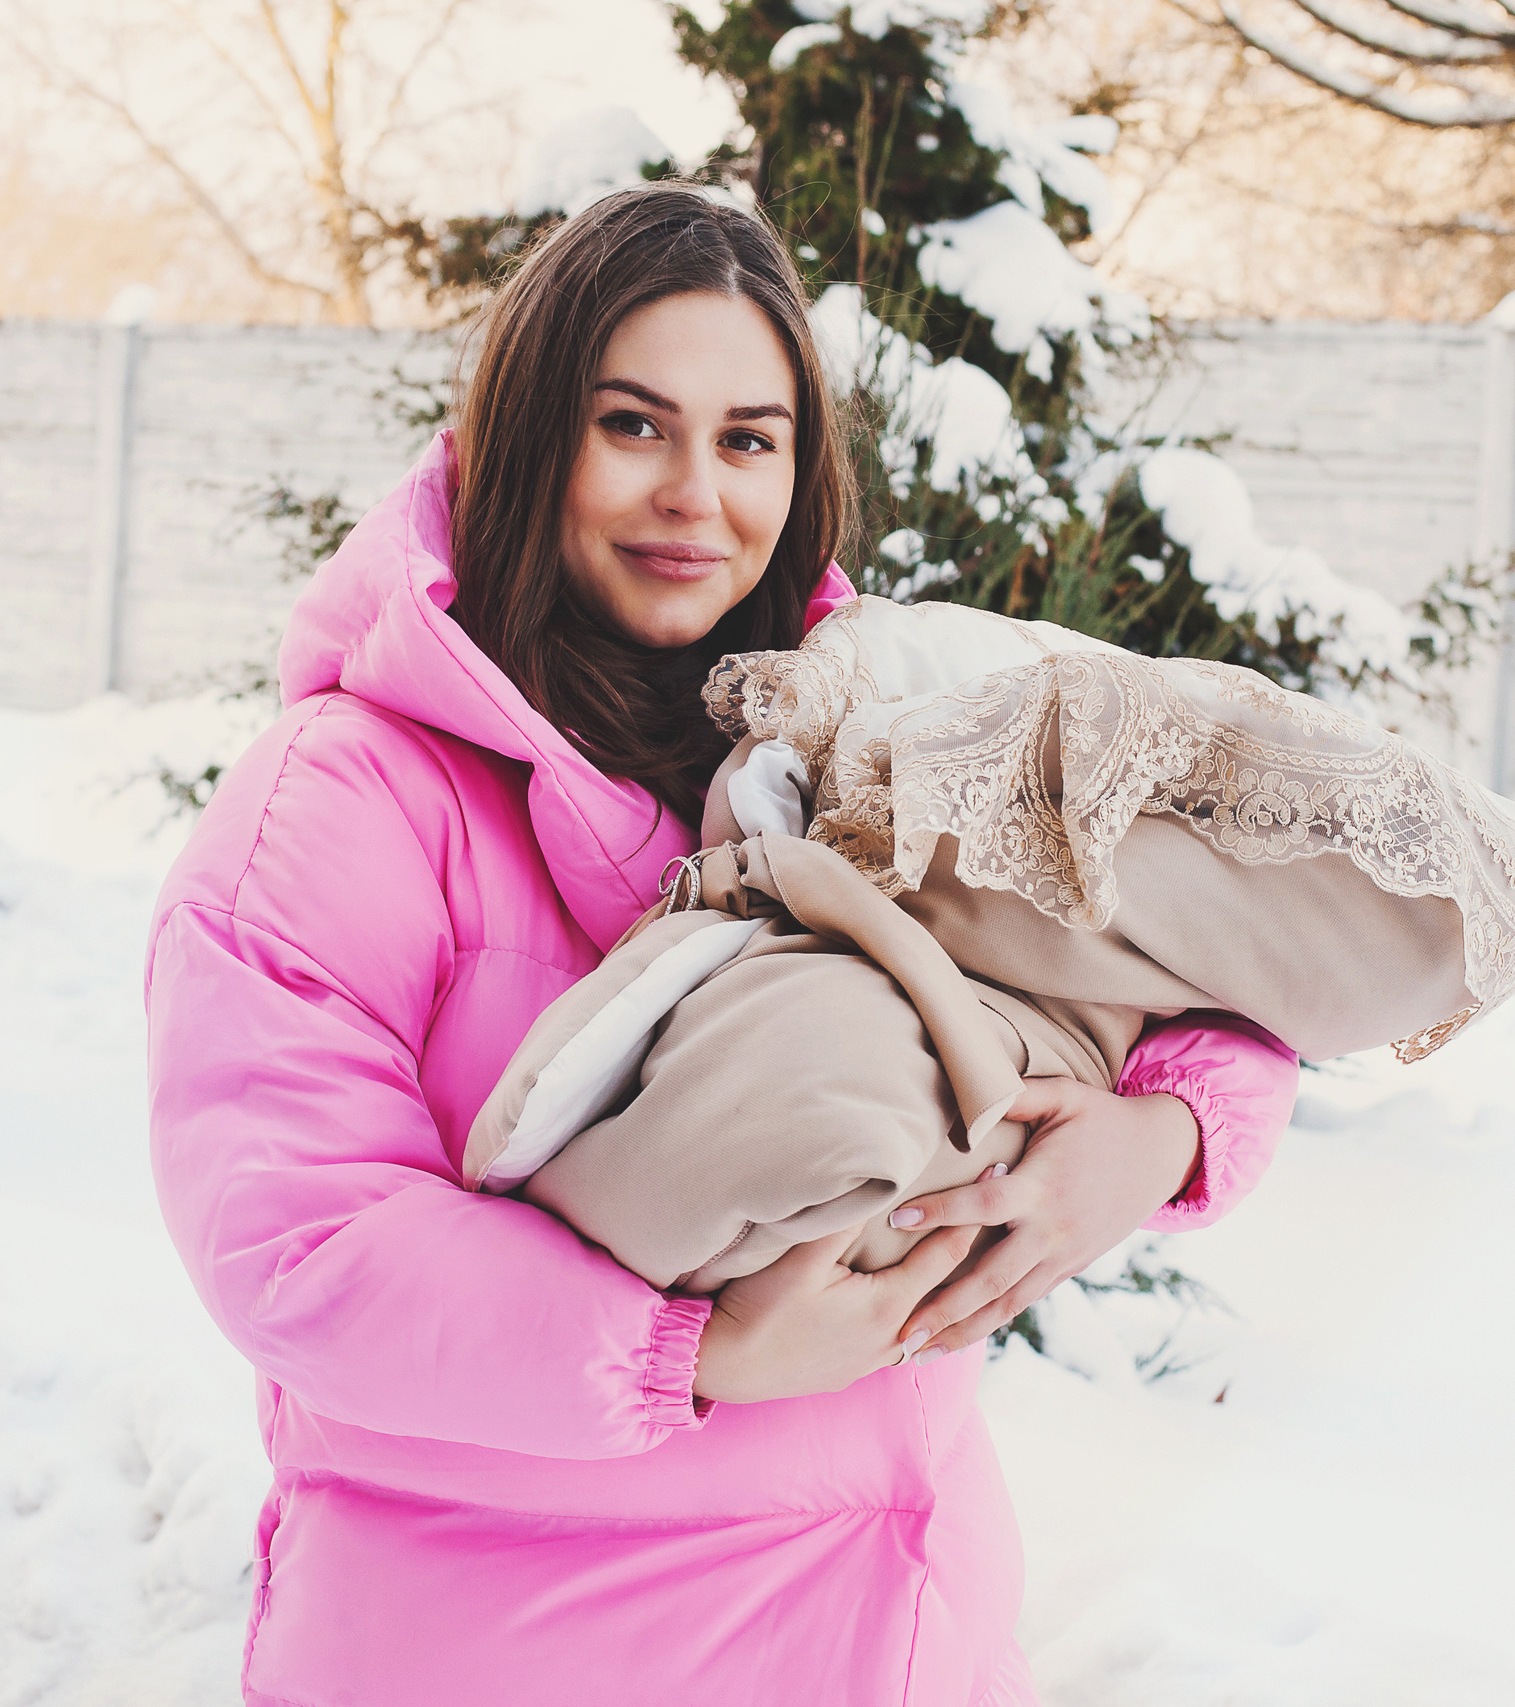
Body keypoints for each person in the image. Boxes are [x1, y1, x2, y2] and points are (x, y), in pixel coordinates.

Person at [143, 182, 1300, 1707]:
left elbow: (1196, 945)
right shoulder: (345, 799)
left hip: (894, 1639)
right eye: (635, 426)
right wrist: (691, 1355)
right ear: (526, 439)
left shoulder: (880, 728)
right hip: (504, 1650)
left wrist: (1163, 1137)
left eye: (749, 439)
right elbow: (298, 1242)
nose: (699, 492)